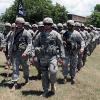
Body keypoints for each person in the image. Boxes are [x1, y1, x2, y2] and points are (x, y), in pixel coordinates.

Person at [33, 17, 65, 97]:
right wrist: (35, 53)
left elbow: (61, 46)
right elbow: (34, 44)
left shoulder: (56, 34)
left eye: (49, 24)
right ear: (43, 25)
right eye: (45, 24)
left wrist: (62, 57)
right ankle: (45, 91)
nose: (47, 26)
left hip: (52, 57)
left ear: (51, 25)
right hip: (43, 57)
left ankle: (53, 84)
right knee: (44, 75)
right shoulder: (40, 34)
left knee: (53, 72)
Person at [8, 17, 32, 87]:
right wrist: (9, 53)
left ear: (23, 24)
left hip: (24, 54)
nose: (18, 25)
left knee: (25, 68)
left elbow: (30, 44)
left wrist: (26, 52)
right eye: (16, 23)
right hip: (15, 53)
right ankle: (15, 82)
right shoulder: (13, 33)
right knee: (15, 68)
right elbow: (10, 42)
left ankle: (26, 78)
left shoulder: (27, 33)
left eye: (20, 24)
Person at [63, 20, 85, 84]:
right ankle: (65, 77)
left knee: (73, 65)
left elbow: (82, 41)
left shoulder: (77, 33)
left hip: (74, 52)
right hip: (67, 51)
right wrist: (63, 43)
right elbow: (63, 41)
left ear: (73, 26)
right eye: (69, 25)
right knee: (65, 65)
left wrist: (82, 48)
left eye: (71, 26)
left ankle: (73, 77)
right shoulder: (65, 33)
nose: (70, 27)